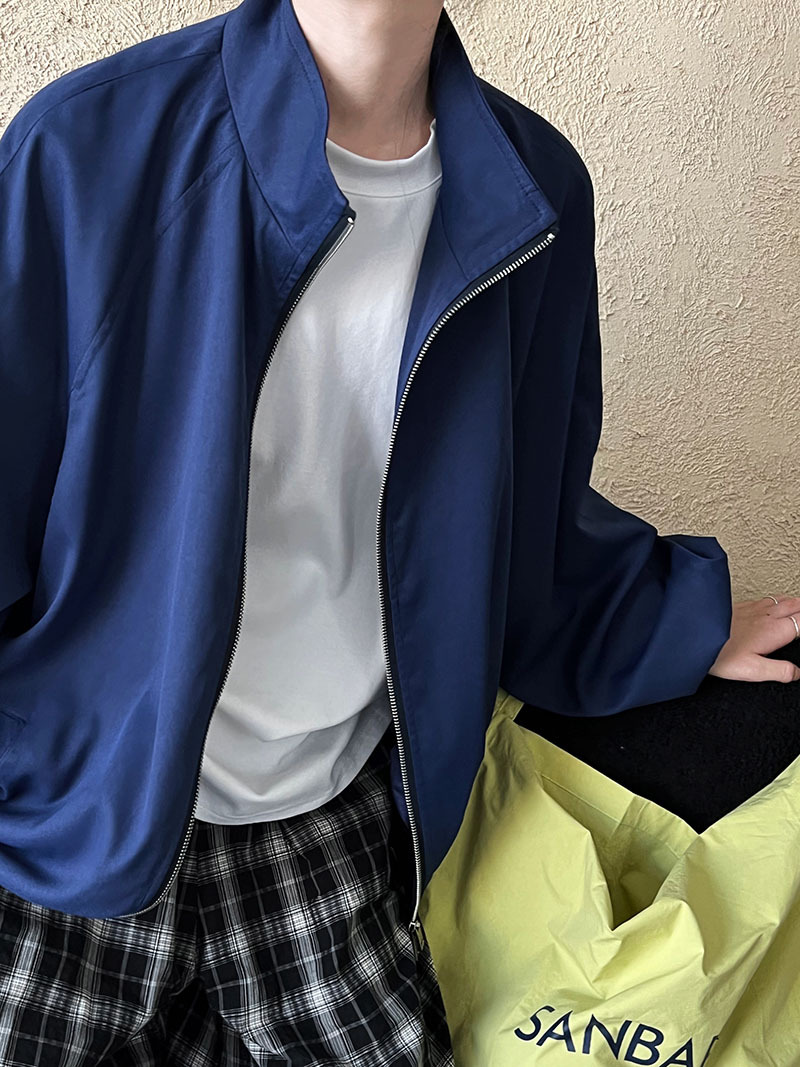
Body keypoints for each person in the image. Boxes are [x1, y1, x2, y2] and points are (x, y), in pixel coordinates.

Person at [0, 0, 797, 1063]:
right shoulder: (87, 146)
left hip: (325, 819)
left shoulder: (535, 189)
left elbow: (528, 531)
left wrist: (680, 621)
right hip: (63, 816)